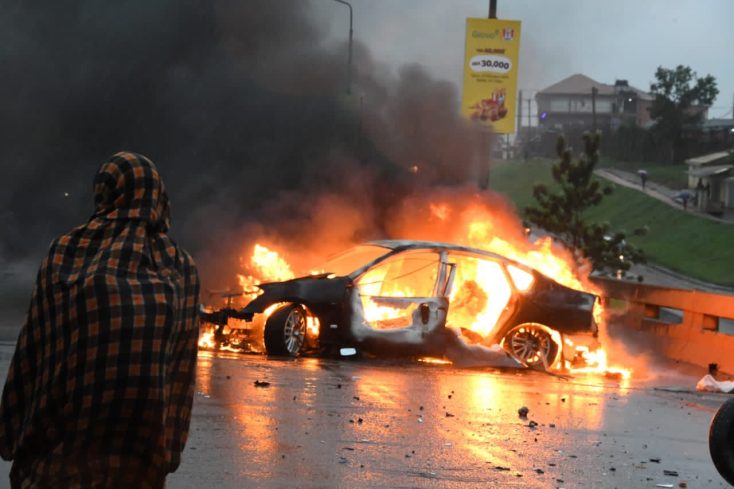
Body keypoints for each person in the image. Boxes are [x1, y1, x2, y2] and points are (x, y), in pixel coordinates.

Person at [0, 152, 200, 488]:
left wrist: (9, 427)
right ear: (158, 196)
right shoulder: (181, 267)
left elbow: (33, 347)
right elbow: (180, 374)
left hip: (60, 456)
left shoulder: (66, 250)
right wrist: (170, 451)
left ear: (105, 191)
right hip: (140, 461)